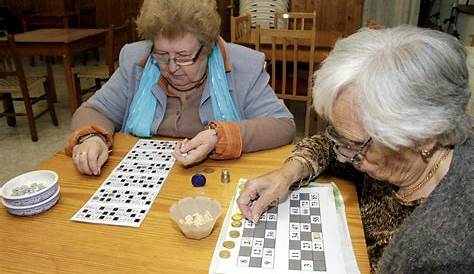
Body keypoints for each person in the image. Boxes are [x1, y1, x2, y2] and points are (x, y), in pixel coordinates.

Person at [237, 25, 473, 273]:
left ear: (424, 138)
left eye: (357, 145)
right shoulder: (402, 155)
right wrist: (285, 176)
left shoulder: (449, 247)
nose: (342, 153)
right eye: (340, 135)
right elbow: (328, 145)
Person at [64, 0, 295, 175]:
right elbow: (94, 110)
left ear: (208, 48)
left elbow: (282, 125)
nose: (172, 68)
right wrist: (92, 137)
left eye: (184, 57)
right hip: (146, 181)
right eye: (162, 55)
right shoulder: (136, 60)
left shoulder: (243, 65)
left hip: (218, 182)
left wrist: (220, 137)